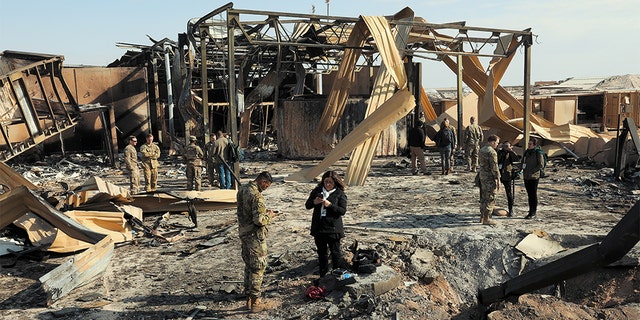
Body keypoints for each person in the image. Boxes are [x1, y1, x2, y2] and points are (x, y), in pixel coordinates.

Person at [237, 171, 276, 312]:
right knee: (258, 268)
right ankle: (255, 302)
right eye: (267, 185)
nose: (266, 188)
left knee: (248, 265)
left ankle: (248, 297)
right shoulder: (257, 196)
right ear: (263, 181)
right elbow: (259, 220)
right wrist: (270, 216)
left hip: (244, 232)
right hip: (254, 237)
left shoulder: (243, 189)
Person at [305, 170, 348, 278]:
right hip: (319, 228)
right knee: (322, 254)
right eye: (326, 182)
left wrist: (330, 205)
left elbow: (342, 211)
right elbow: (308, 205)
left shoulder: (339, 193)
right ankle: (323, 276)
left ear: (335, 183)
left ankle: (337, 275)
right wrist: (315, 202)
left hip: (333, 229)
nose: (327, 185)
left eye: (330, 183)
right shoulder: (317, 191)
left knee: (335, 253)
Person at [477, 134, 501, 225]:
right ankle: (487, 218)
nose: (497, 145)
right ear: (493, 142)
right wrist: (498, 179)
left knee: (483, 197)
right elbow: (494, 167)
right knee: (490, 197)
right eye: (497, 143)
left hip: (482, 176)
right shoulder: (492, 152)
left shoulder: (482, 150)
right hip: (489, 177)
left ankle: (482, 217)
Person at [522, 137, 545, 219]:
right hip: (526, 175)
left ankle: (533, 212)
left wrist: (533, 171)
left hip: (534, 176)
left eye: (530, 144)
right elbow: (523, 161)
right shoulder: (527, 152)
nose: (529, 145)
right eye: (528, 144)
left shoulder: (538, 152)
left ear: (535, 145)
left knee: (533, 194)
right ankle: (530, 210)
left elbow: (541, 164)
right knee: (529, 194)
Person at [497, 141, 520, 217]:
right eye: (504, 146)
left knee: (509, 194)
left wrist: (511, 151)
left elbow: (516, 159)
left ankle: (511, 209)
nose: (505, 148)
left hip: (507, 175)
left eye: (507, 146)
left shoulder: (510, 153)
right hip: (498, 174)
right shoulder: (499, 152)